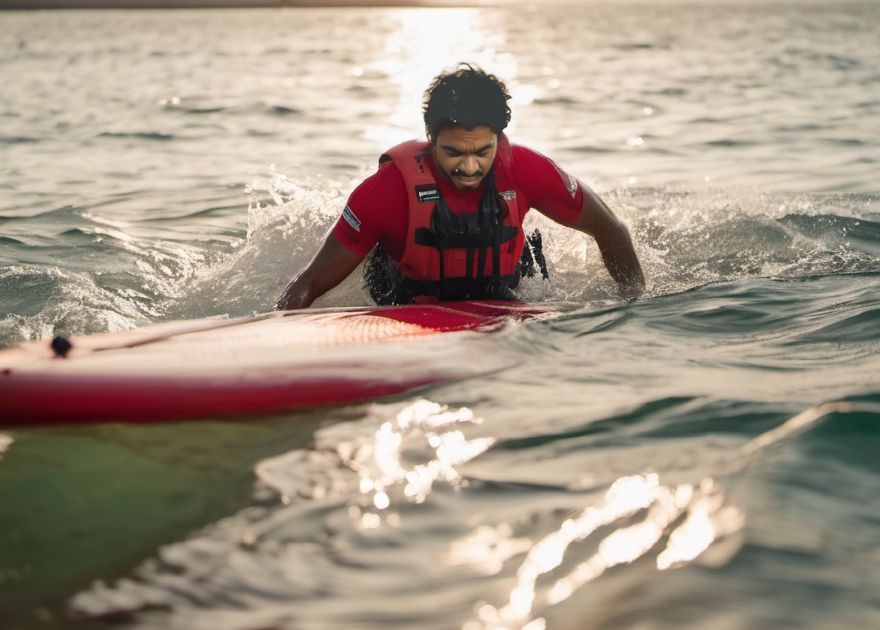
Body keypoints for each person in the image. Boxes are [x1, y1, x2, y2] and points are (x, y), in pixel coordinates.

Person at [275, 64, 644, 310]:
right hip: (406, 293)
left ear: (500, 138)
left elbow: (610, 230)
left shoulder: (527, 170)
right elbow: (307, 283)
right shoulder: (386, 193)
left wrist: (633, 305)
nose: (469, 167)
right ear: (430, 138)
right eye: (453, 152)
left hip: (503, 284)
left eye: (483, 151)